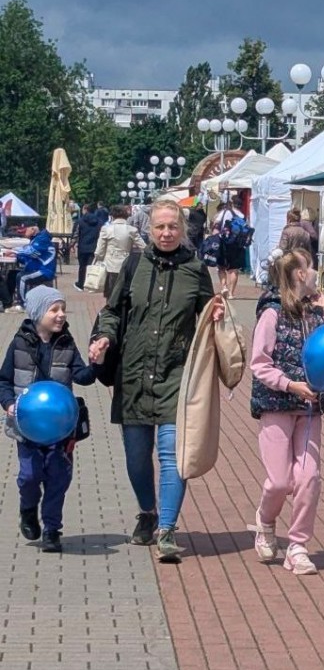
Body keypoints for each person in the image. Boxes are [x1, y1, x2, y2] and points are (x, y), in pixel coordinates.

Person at [89, 199, 224, 562]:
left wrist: (218, 316)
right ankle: (147, 512)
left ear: (182, 230)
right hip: (133, 375)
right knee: (136, 457)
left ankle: (166, 529)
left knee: (172, 455)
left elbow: (209, 320)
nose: (166, 233)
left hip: (175, 376)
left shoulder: (195, 270)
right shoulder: (133, 265)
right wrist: (104, 337)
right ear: (149, 228)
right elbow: (113, 312)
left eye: (173, 227)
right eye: (160, 227)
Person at [246, 248, 324, 576]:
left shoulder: (315, 311)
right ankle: (265, 522)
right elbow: (260, 364)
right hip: (276, 405)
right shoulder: (271, 313)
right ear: (300, 274)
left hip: (309, 408)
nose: (315, 275)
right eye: (311, 269)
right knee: (279, 482)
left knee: (308, 477)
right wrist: (290, 385)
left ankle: (297, 545)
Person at [0, 287, 96, 552]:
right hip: (26, 428)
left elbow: (83, 377)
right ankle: (28, 509)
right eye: (54, 310)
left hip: (60, 429)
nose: (61, 315)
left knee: (58, 478)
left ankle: (52, 530)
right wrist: (8, 403)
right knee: (30, 475)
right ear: (38, 313)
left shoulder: (66, 342)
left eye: (62, 309)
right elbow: (4, 380)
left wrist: (95, 362)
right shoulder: (19, 343)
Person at [93, 205, 147, 299]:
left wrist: (98, 259)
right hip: (126, 265)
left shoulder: (106, 229)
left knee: (110, 294)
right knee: (124, 293)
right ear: (126, 216)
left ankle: (110, 310)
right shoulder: (132, 230)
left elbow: (99, 250)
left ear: (112, 216)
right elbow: (144, 247)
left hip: (110, 266)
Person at [6, 226, 57, 311]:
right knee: (12, 274)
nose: (24, 232)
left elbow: (31, 252)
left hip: (45, 271)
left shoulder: (42, 239)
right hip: (35, 269)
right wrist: (17, 256)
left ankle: (22, 305)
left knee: (22, 277)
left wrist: (14, 251)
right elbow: (30, 258)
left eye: (26, 229)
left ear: (33, 230)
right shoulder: (35, 239)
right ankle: (7, 302)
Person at [214, 201, 247, 298]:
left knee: (221, 267)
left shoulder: (224, 212)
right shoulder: (241, 215)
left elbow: (216, 223)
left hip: (223, 242)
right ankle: (231, 293)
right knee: (234, 269)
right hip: (236, 244)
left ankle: (224, 287)